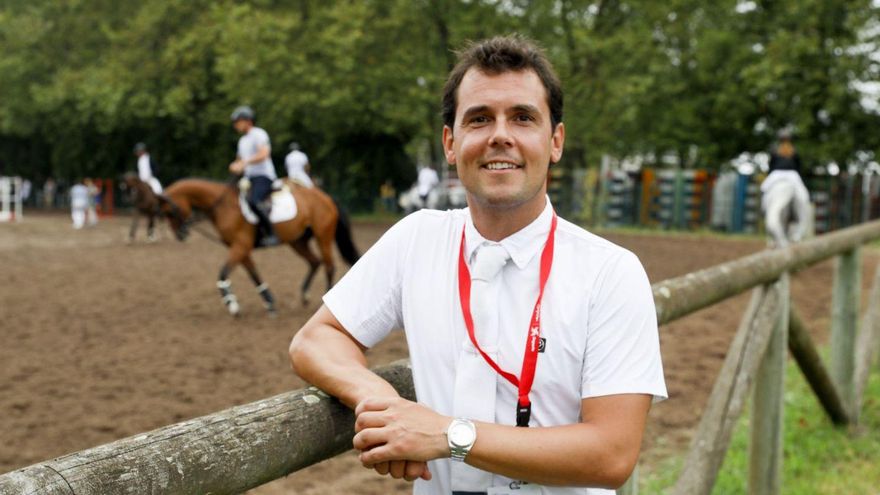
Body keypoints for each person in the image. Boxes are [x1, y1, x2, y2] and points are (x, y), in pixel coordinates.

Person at [289, 35, 666, 495]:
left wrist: (449, 436)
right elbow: (316, 338)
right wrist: (381, 401)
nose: (500, 135)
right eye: (479, 118)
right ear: (451, 143)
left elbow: (611, 454)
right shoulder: (417, 238)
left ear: (556, 141)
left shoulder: (612, 273)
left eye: (523, 118)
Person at [228, 105, 278, 245]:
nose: (235, 125)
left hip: (263, 176)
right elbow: (239, 160)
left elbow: (264, 153)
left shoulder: (258, 133)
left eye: (237, 121)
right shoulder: (242, 141)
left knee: (254, 200)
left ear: (247, 121)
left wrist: (245, 162)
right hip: (248, 178)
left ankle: (271, 233)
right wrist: (234, 165)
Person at [761, 129, 812, 243]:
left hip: (776, 175)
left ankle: (764, 209)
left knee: (764, 190)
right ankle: (800, 226)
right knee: (804, 197)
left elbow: (771, 167)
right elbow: (799, 168)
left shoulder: (774, 151)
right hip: (793, 176)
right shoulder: (794, 152)